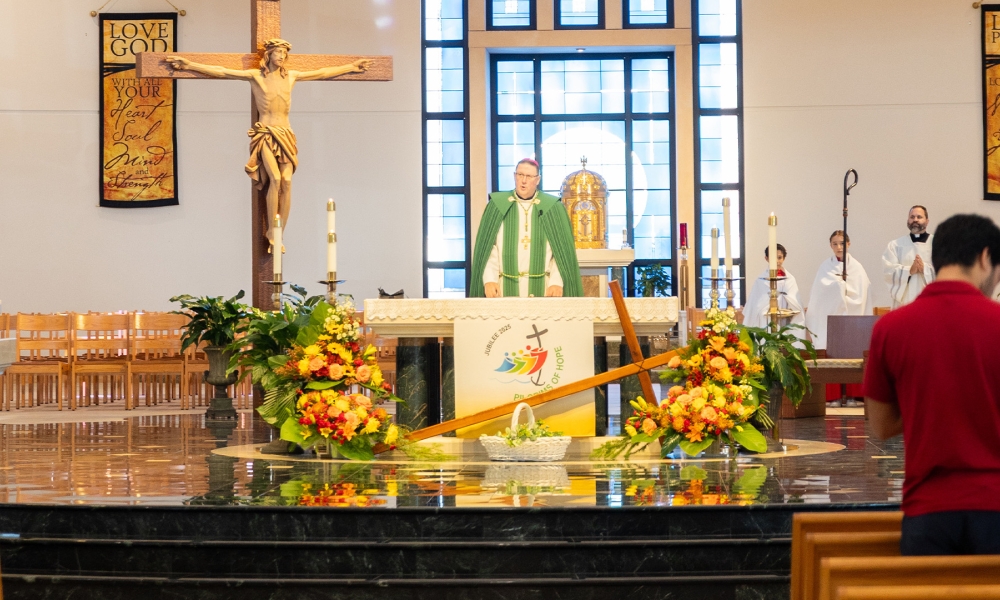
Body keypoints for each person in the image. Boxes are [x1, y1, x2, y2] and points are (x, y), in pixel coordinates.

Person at [865, 213, 1000, 555]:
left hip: (928, 510)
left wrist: (928, 406)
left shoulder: (890, 328)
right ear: (985, 257)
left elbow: (880, 426)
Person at [166, 40, 369, 249]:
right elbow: (222, 71)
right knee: (276, 177)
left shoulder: (291, 77)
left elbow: (324, 73)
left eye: (284, 54)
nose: (281, 57)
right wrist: (190, 65)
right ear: (269, 55)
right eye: (278, 53)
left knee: (287, 181)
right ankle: (272, 230)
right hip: (265, 133)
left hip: (286, 134)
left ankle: (280, 231)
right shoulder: (256, 76)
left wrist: (352, 67)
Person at [469, 158, 583, 298]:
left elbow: (560, 253)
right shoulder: (497, 206)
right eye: (520, 175)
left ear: (538, 179)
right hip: (503, 290)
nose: (523, 180)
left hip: (545, 290)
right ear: (514, 176)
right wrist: (489, 280)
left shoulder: (553, 208)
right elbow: (488, 249)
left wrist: (556, 281)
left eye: (529, 176)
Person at [805, 230, 873, 350]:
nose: (839, 247)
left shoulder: (856, 267)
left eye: (842, 243)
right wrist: (837, 288)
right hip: (830, 313)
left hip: (852, 313)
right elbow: (819, 294)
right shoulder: (825, 267)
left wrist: (844, 289)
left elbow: (862, 294)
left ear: (848, 244)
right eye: (835, 244)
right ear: (830, 245)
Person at [742, 244, 805, 331]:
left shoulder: (790, 279)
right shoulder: (761, 280)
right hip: (766, 318)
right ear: (766, 258)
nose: (776, 261)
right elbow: (755, 304)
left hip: (786, 316)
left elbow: (795, 301)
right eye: (773, 258)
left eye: (779, 257)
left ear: (784, 258)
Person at [883, 205, 935, 308]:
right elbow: (889, 272)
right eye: (912, 217)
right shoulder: (895, 245)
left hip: (929, 301)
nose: (915, 220)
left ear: (927, 221)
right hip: (905, 303)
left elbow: (946, 272)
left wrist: (925, 269)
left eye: (919, 217)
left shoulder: (938, 244)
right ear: (908, 220)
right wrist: (909, 271)